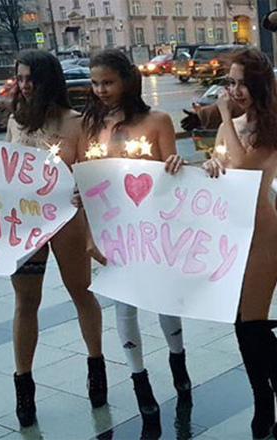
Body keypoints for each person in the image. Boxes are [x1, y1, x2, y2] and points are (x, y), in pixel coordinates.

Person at [197, 48, 277, 439]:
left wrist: (223, 115)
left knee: (256, 325)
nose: (234, 91)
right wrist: (210, 164)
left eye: (243, 83)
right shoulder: (234, 124)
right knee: (241, 326)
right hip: (229, 232)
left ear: (260, 85)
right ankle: (264, 400)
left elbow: (244, 168)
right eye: (230, 83)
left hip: (260, 232)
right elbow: (222, 164)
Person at [80, 49, 191, 430]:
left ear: (127, 81)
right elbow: (91, 182)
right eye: (95, 83)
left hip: (154, 228)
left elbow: (173, 176)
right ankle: (139, 381)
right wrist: (90, 232)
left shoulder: (157, 120)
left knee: (163, 299)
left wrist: (176, 164)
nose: (100, 90)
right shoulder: (93, 125)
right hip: (115, 230)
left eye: (108, 82)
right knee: (123, 305)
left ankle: (178, 361)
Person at [5, 50, 107, 428]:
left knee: (81, 292)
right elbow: (4, 171)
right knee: (25, 301)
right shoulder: (16, 121)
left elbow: (92, 173)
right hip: (25, 225)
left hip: (67, 220)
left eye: (31, 78)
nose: (24, 85)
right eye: (20, 78)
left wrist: (84, 193)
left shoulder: (75, 123)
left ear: (48, 80)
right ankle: (23, 384)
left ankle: (96, 367)